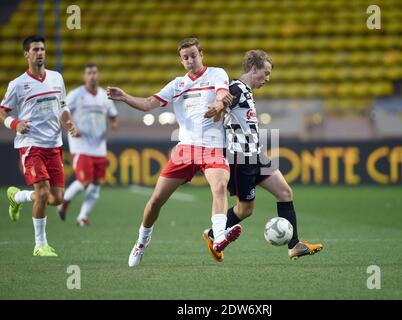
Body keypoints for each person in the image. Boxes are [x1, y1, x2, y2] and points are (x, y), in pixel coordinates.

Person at [107, 37, 241, 267]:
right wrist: (124, 97)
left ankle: (218, 235)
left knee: (219, 187)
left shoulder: (217, 73)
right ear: (181, 60)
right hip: (185, 150)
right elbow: (149, 103)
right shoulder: (177, 85)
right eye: (185, 57)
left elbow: (221, 95)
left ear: (202, 54)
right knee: (156, 201)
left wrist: (218, 105)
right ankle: (141, 241)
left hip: (212, 147)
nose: (190, 60)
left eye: (193, 55)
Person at [203, 50, 323, 262]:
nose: (267, 79)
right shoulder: (235, 88)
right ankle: (214, 234)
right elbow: (222, 101)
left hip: (256, 155)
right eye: (265, 73)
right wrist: (217, 107)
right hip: (241, 159)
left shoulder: (247, 92)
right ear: (253, 68)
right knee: (245, 209)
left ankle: (294, 245)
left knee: (285, 192)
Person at [0, 35, 79, 257]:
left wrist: (69, 122)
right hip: (31, 145)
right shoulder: (17, 84)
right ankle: (40, 245)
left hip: (54, 145)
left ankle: (17, 197)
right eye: (35, 50)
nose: (40, 53)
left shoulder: (56, 78)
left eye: (42, 49)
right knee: (43, 194)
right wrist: (14, 123)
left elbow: (63, 108)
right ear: (27, 54)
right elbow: (2, 111)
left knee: (57, 199)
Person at [56, 63, 119, 226]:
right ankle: (64, 201)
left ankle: (82, 216)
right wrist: (72, 127)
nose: (92, 76)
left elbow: (113, 115)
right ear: (84, 76)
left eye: (94, 73)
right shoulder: (75, 95)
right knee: (84, 181)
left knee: (97, 183)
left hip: (99, 146)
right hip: (81, 145)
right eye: (89, 73)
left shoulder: (105, 96)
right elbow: (61, 111)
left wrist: (114, 123)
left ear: (98, 75)